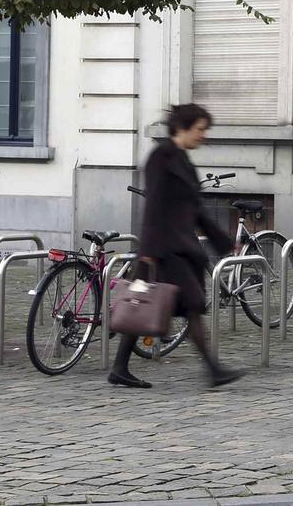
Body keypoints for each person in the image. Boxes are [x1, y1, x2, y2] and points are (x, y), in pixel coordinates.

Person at [108, 103, 244, 389]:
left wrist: (222, 241)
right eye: (200, 129)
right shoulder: (162, 157)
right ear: (182, 127)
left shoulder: (182, 160)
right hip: (163, 249)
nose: (203, 136)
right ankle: (213, 370)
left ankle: (120, 367)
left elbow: (196, 210)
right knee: (189, 305)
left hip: (178, 247)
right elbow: (153, 207)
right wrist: (148, 252)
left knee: (146, 305)